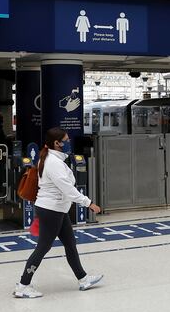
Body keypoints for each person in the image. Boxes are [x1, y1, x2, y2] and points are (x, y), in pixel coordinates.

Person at [14, 127, 103, 298]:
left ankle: (83, 279)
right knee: (43, 247)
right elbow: (68, 189)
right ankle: (23, 285)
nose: (69, 142)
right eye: (66, 140)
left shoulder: (50, 158)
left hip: (57, 209)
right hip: (51, 210)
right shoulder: (53, 163)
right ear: (57, 143)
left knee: (70, 244)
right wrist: (89, 203)